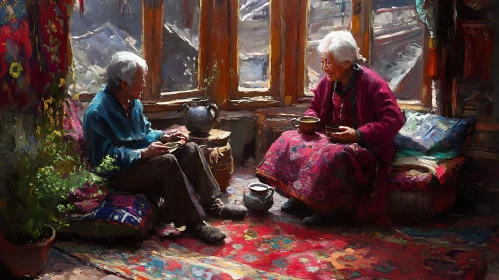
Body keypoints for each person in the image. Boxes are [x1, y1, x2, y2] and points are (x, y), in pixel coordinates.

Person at [83, 51, 247, 244]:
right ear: (124, 84)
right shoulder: (97, 113)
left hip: (142, 162)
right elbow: (102, 160)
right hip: (120, 174)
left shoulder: (132, 102)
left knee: (191, 148)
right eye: (141, 80)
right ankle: (194, 222)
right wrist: (143, 153)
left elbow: (144, 131)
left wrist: (163, 136)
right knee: (167, 162)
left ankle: (212, 204)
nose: (145, 84)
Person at [256, 31, 405, 226]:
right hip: (332, 138)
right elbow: (315, 108)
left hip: (366, 146)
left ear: (346, 63)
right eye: (323, 61)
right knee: (289, 139)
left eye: (329, 62)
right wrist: (310, 120)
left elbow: (394, 119)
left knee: (332, 156)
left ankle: (327, 210)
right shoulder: (329, 81)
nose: (325, 67)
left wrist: (358, 134)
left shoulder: (372, 83)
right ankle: (302, 199)